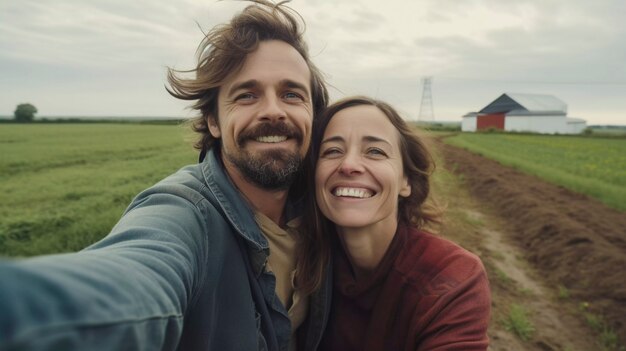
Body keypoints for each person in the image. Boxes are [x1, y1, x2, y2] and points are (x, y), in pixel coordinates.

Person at [0, 1, 331, 350]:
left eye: (291, 94)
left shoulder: (324, 208)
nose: (273, 111)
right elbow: (134, 280)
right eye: (246, 95)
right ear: (214, 121)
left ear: (313, 113)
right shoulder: (186, 214)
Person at [306, 96, 491, 351]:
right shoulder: (301, 265)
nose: (348, 165)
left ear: (407, 181)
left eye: (375, 151)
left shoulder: (451, 277)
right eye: (332, 151)